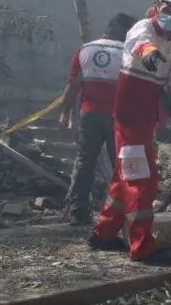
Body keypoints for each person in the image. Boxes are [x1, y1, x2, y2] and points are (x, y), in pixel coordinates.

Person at [88, 0, 171, 266]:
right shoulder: (142, 28)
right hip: (131, 115)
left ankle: (104, 233)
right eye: (169, 8)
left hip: (146, 118)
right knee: (142, 180)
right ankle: (141, 246)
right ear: (156, 5)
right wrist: (148, 53)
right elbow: (139, 45)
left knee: (124, 177)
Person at [59, 13, 138, 226]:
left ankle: (77, 210)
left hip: (89, 114)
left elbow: (73, 86)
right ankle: (123, 211)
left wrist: (65, 113)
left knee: (84, 162)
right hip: (118, 117)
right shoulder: (129, 52)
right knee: (121, 164)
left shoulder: (86, 49)